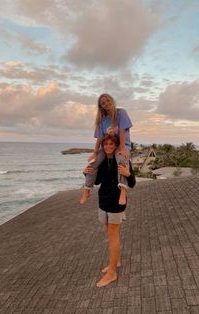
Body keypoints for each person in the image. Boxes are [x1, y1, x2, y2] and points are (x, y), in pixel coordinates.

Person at [83, 134, 135, 287]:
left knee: (113, 235)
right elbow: (97, 181)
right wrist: (86, 172)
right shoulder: (102, 160)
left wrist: (128, 174)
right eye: (105, 144)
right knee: (109, 232)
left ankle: (112, 273)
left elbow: (132, 183)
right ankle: (116, 260)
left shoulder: (123, 159)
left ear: (116, 145)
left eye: (111, 144)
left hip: (117, 202)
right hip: (103, 201)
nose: (108, 146)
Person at [80, 93, 132, 206]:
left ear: (112, 100)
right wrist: (95, 153)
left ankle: (123, 191)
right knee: (93, 162)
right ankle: (87, 189)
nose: (106, 103)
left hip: (121, 145)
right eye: (103, 103)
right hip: (108, 146)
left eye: (107, 100)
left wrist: (122, 148)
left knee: (121, 160)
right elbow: (100, 138)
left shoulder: (120, 113)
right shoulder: (102, 120)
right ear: (101, 106)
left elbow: (122, 131)